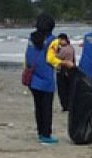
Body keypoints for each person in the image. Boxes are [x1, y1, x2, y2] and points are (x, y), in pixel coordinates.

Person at [25, 14, 63, 144]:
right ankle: (46, 135)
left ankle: (40, 132)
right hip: (46, 78)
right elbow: (50, 59)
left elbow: (28, 56)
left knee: (38, 107)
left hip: (33, 77)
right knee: (47, 108)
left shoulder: (31, 38)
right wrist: (62, 63)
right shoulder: (53, 40)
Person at [54, 33, 77, 112]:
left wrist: (55, 50)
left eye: (60, 40)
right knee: (70, 89)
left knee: (62, 90)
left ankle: (65, 106)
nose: (59, 42)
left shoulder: (64, 49)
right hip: (71, 70)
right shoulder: (71, 48)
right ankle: (70, 105)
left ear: (64, 40)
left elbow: (56, 57)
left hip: (63, 71)